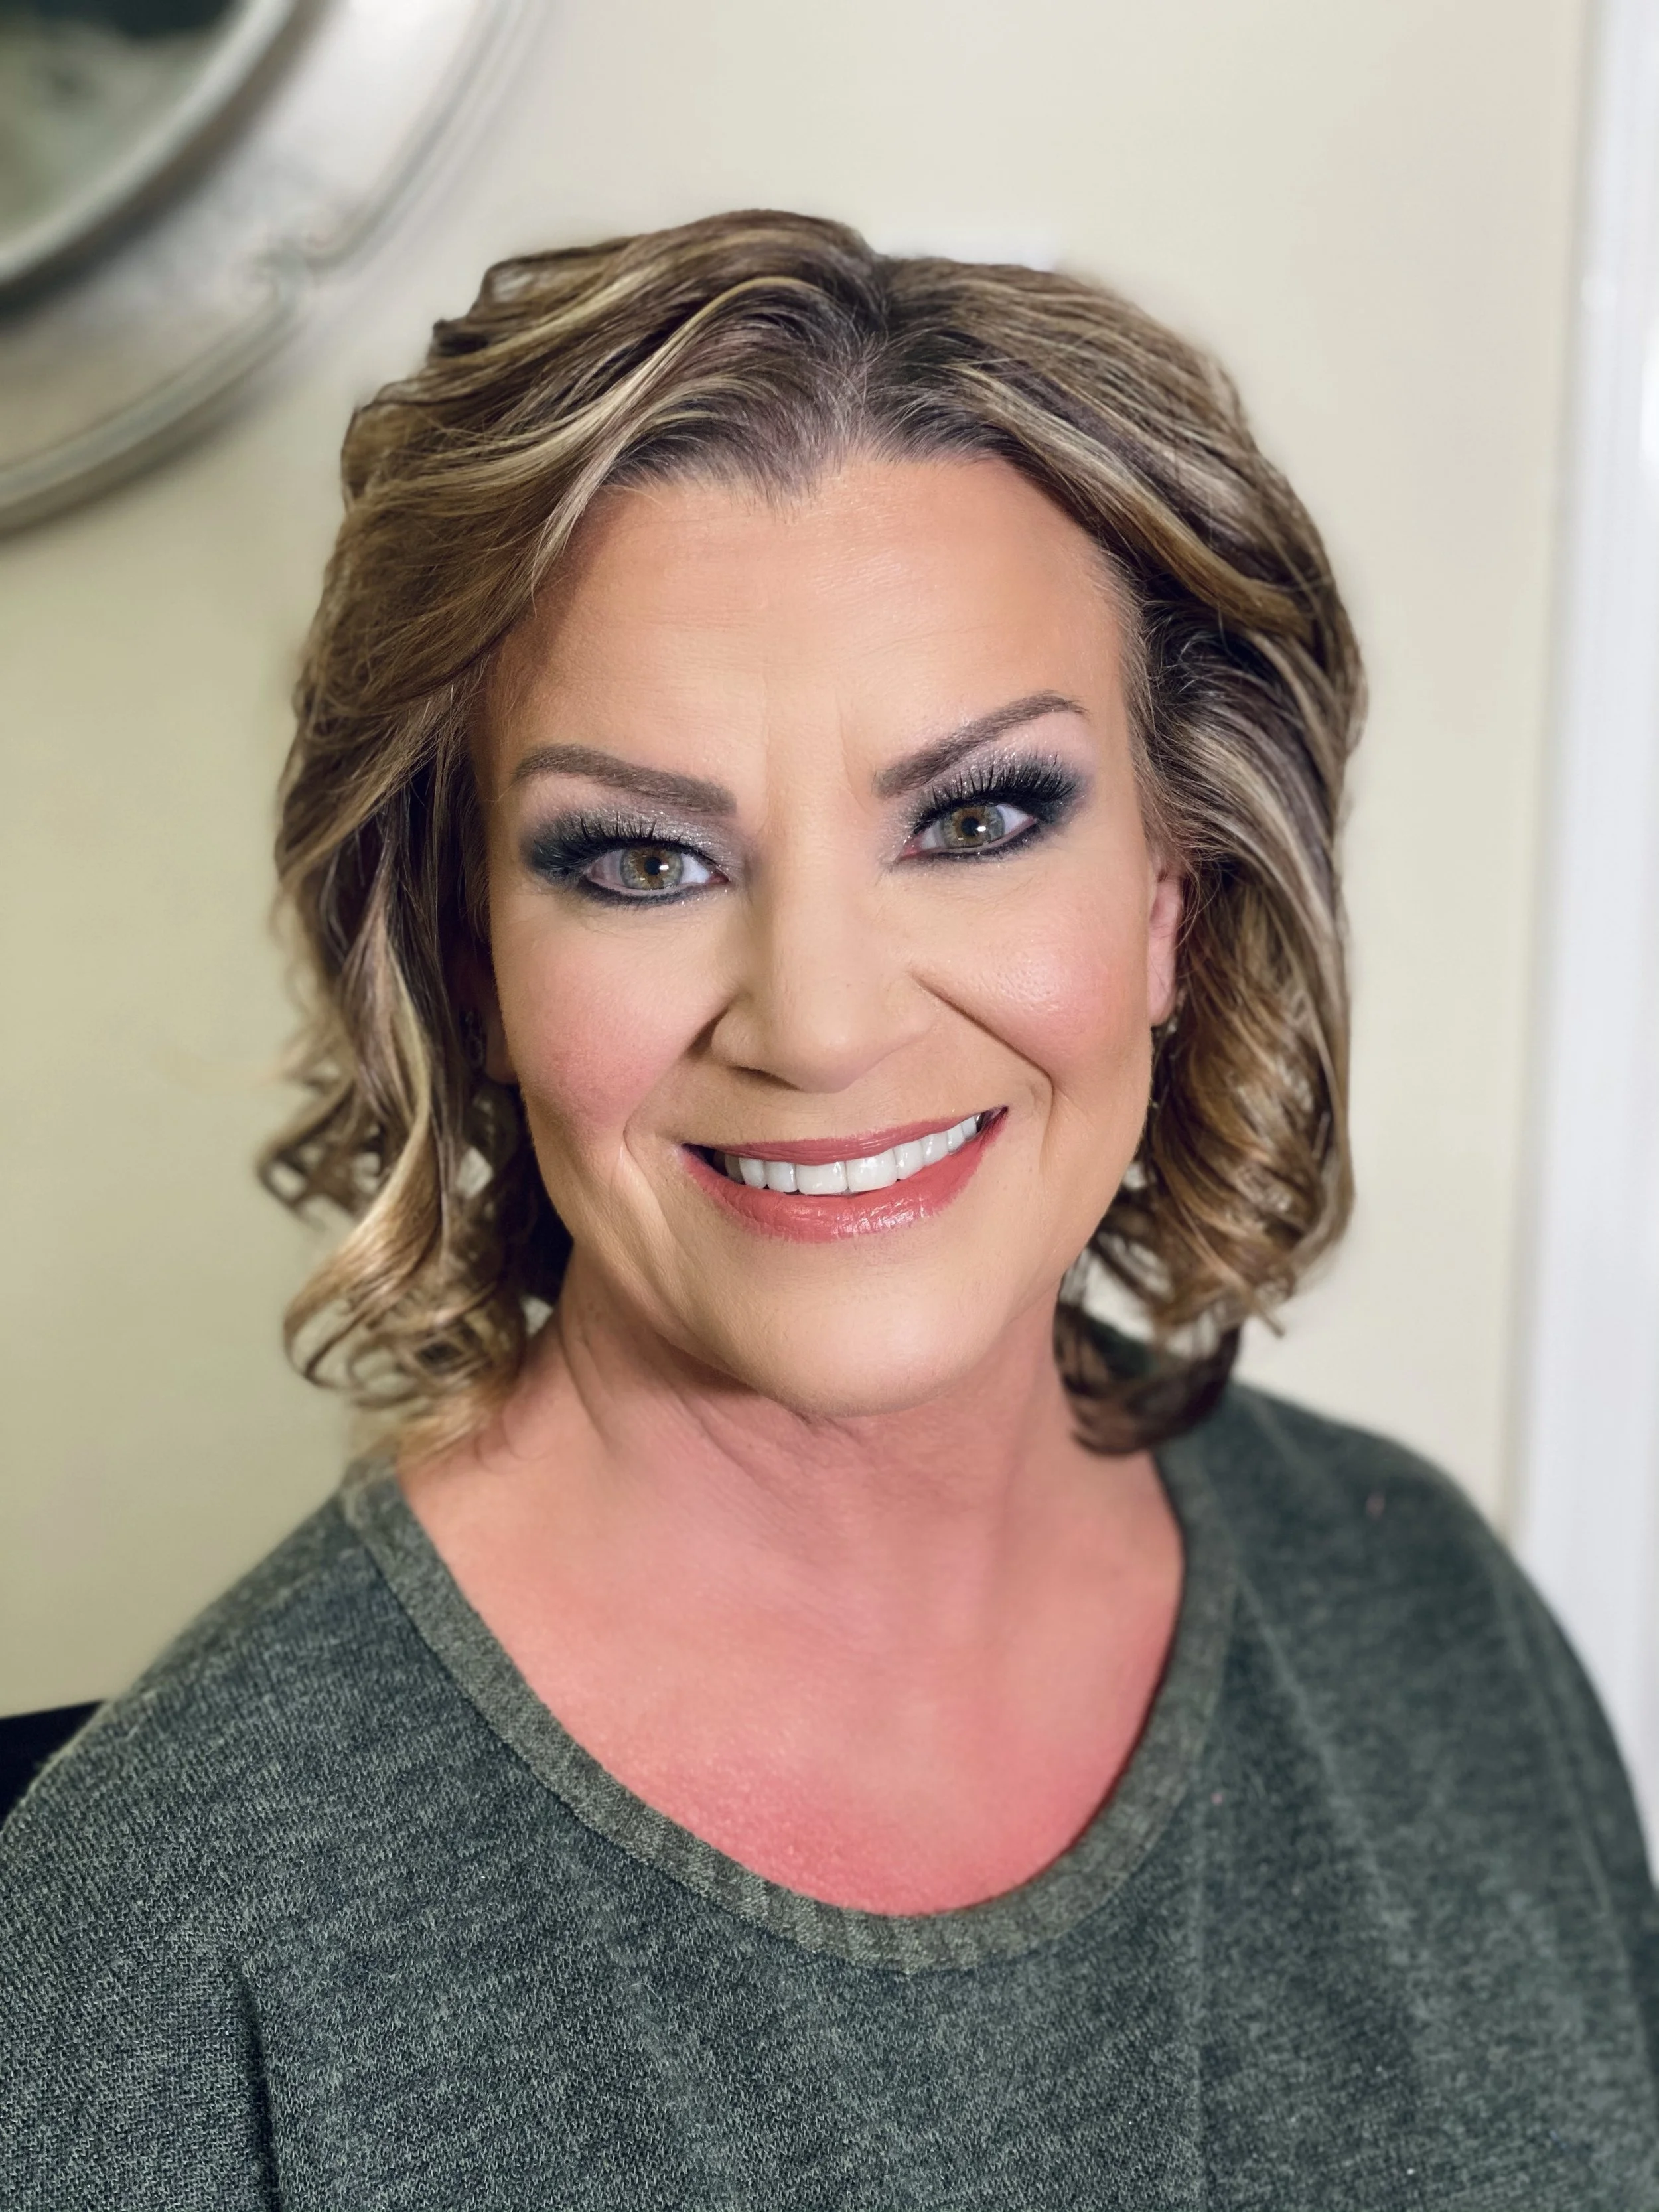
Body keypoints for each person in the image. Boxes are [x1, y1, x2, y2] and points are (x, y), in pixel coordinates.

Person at [3, 210, 1656, 2209]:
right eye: (637, 859)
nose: (819, 1021)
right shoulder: (156, 1931)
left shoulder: (1427, 1626)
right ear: (467, 952)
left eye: (972, 819)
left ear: (1171, 895)